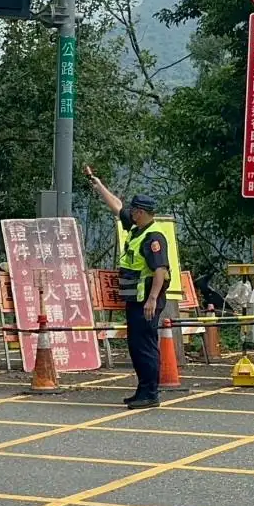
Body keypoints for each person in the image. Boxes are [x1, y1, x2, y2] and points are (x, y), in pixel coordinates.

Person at [84, 165, 170, 408]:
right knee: (136, 346)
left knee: (145, 346)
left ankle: (150, 393)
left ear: (141, 212)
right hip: (135, 299)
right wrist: (97, 184)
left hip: (146, 301)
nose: (130, 212)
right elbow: (117, 207)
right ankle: (142, 390)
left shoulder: (153, 237)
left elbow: (160, 271)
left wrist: (152, 299)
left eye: (134, 210)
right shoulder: (136, 228)